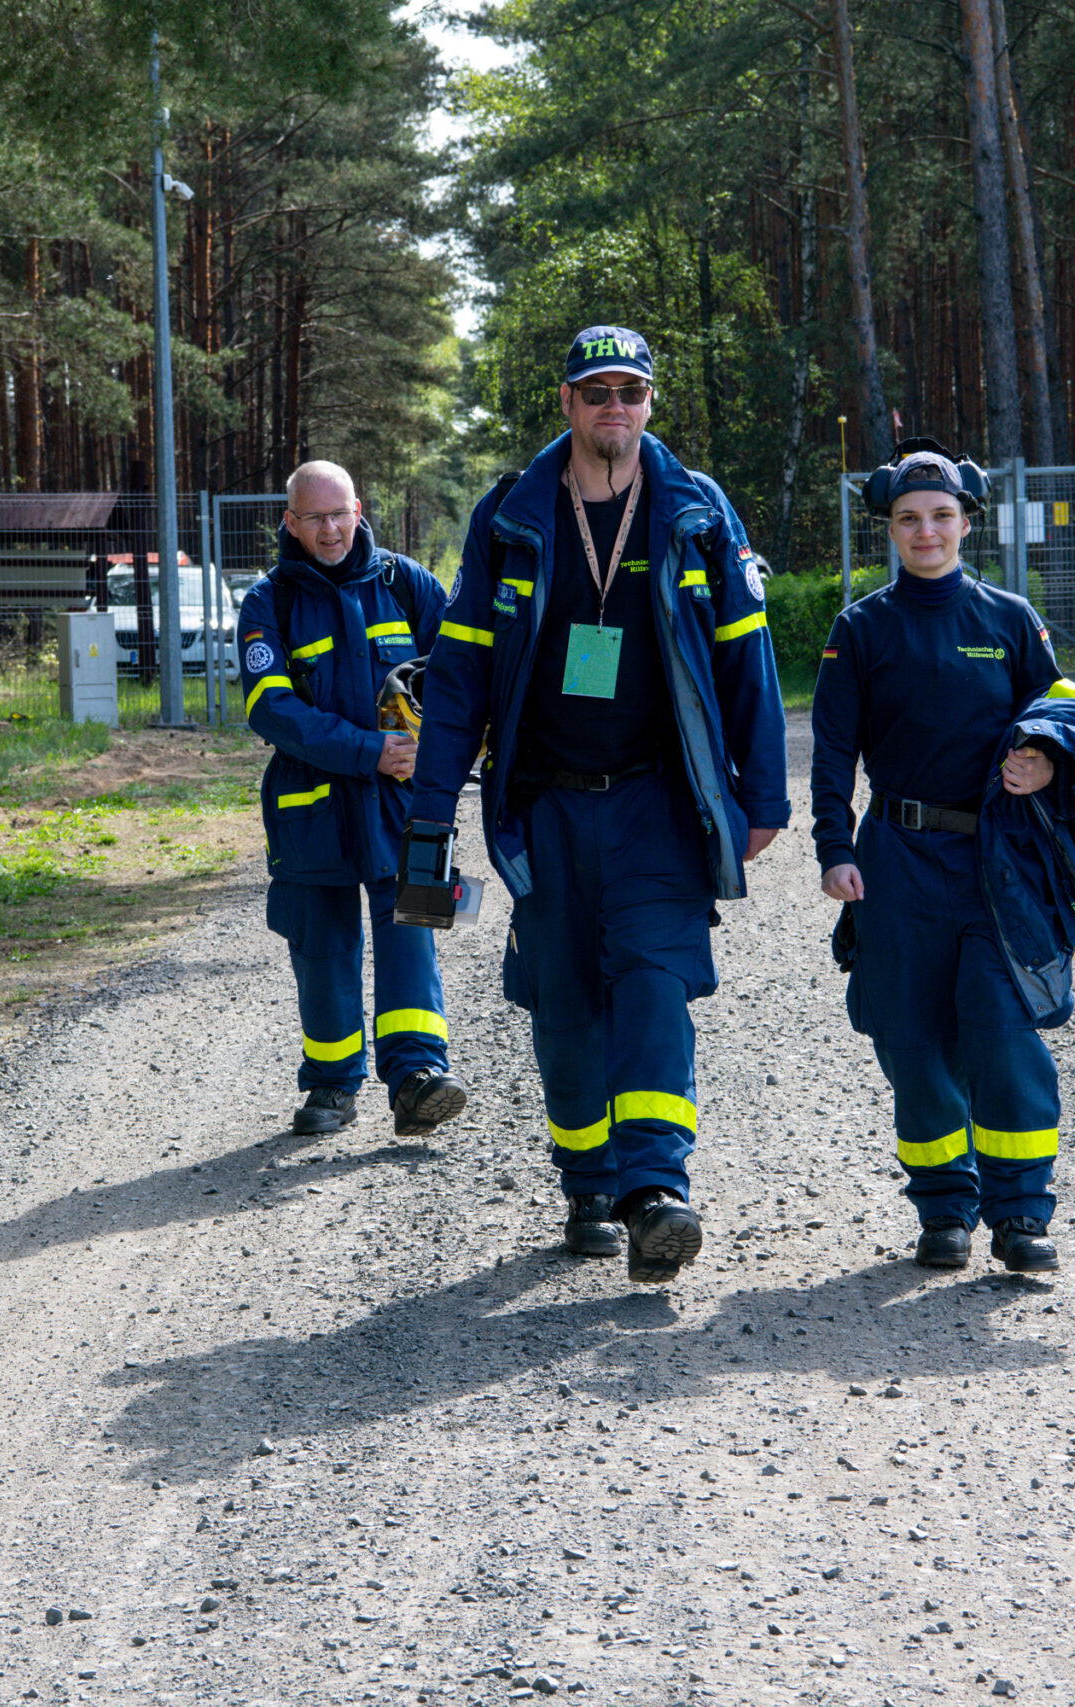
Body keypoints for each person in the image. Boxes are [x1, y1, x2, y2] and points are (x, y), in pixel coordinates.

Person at [407, 325, 789, 1283]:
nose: (614, 406)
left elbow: (748, 657)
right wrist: (431, 808)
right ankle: (587, 1183)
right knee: (565, 1001)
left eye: (630, 390)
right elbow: (459, 675)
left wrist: (763, 795)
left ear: (650, 401)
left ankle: (656, 1189)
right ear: (567, 402)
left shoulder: (697, 510)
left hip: (660, 800)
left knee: (655, 983)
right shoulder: (511, 514)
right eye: (596, 391)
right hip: (547, 805)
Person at [810, 442, 1069, 1274]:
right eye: (909, 518)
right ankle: (945, 1210)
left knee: (1003, 1032)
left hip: (998, 862)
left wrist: (1046, 763)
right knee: (912, 1039)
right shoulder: (861, 629)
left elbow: (1061, 723)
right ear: (890, 528)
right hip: (897, 859)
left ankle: (1020, 1214)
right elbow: (832, 752)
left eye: (941, 516)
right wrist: (834, 847)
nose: (926, 531)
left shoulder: (1010, 620)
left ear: (966, 523)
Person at [239, 461, 469, 1137]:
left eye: (340, 514)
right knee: (322, 948)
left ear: (359, 510)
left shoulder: (406, 582)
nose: (331, 529)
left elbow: (460, 674)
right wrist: (369, 750)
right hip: (311, 808)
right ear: (290, 522)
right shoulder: (269, 602)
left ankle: (417, 1079)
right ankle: (332, 1083)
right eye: (314, 518)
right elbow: (271, 708)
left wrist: (440, 747)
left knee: (413, 936)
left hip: (405, 803)